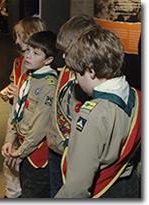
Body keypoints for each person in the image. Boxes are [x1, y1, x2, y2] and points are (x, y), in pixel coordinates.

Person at [55, 26, 141, 198]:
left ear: (91, 71)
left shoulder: (92, 116)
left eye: (77, 74)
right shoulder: (137, 96)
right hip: (129, 187)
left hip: (104, 192)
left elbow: (76, 188)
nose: (77, 82)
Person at [46, 14, 101, 198]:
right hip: (55, 149)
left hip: (75, 157)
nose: (62, 56)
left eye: (67, 50)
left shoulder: (91, 83)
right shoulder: (67, 71)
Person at [1, 31, 59, 198]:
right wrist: (9, 139)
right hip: (23, 149)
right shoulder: (27, 75)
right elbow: (16, 109)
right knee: (25, 189)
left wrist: (21, 152)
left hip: (37, 155)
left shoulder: (49, 85)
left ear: (48, 60)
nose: (27, 56)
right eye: (27, 50)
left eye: (35, 53)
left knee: (35, 193)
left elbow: (39, 128)